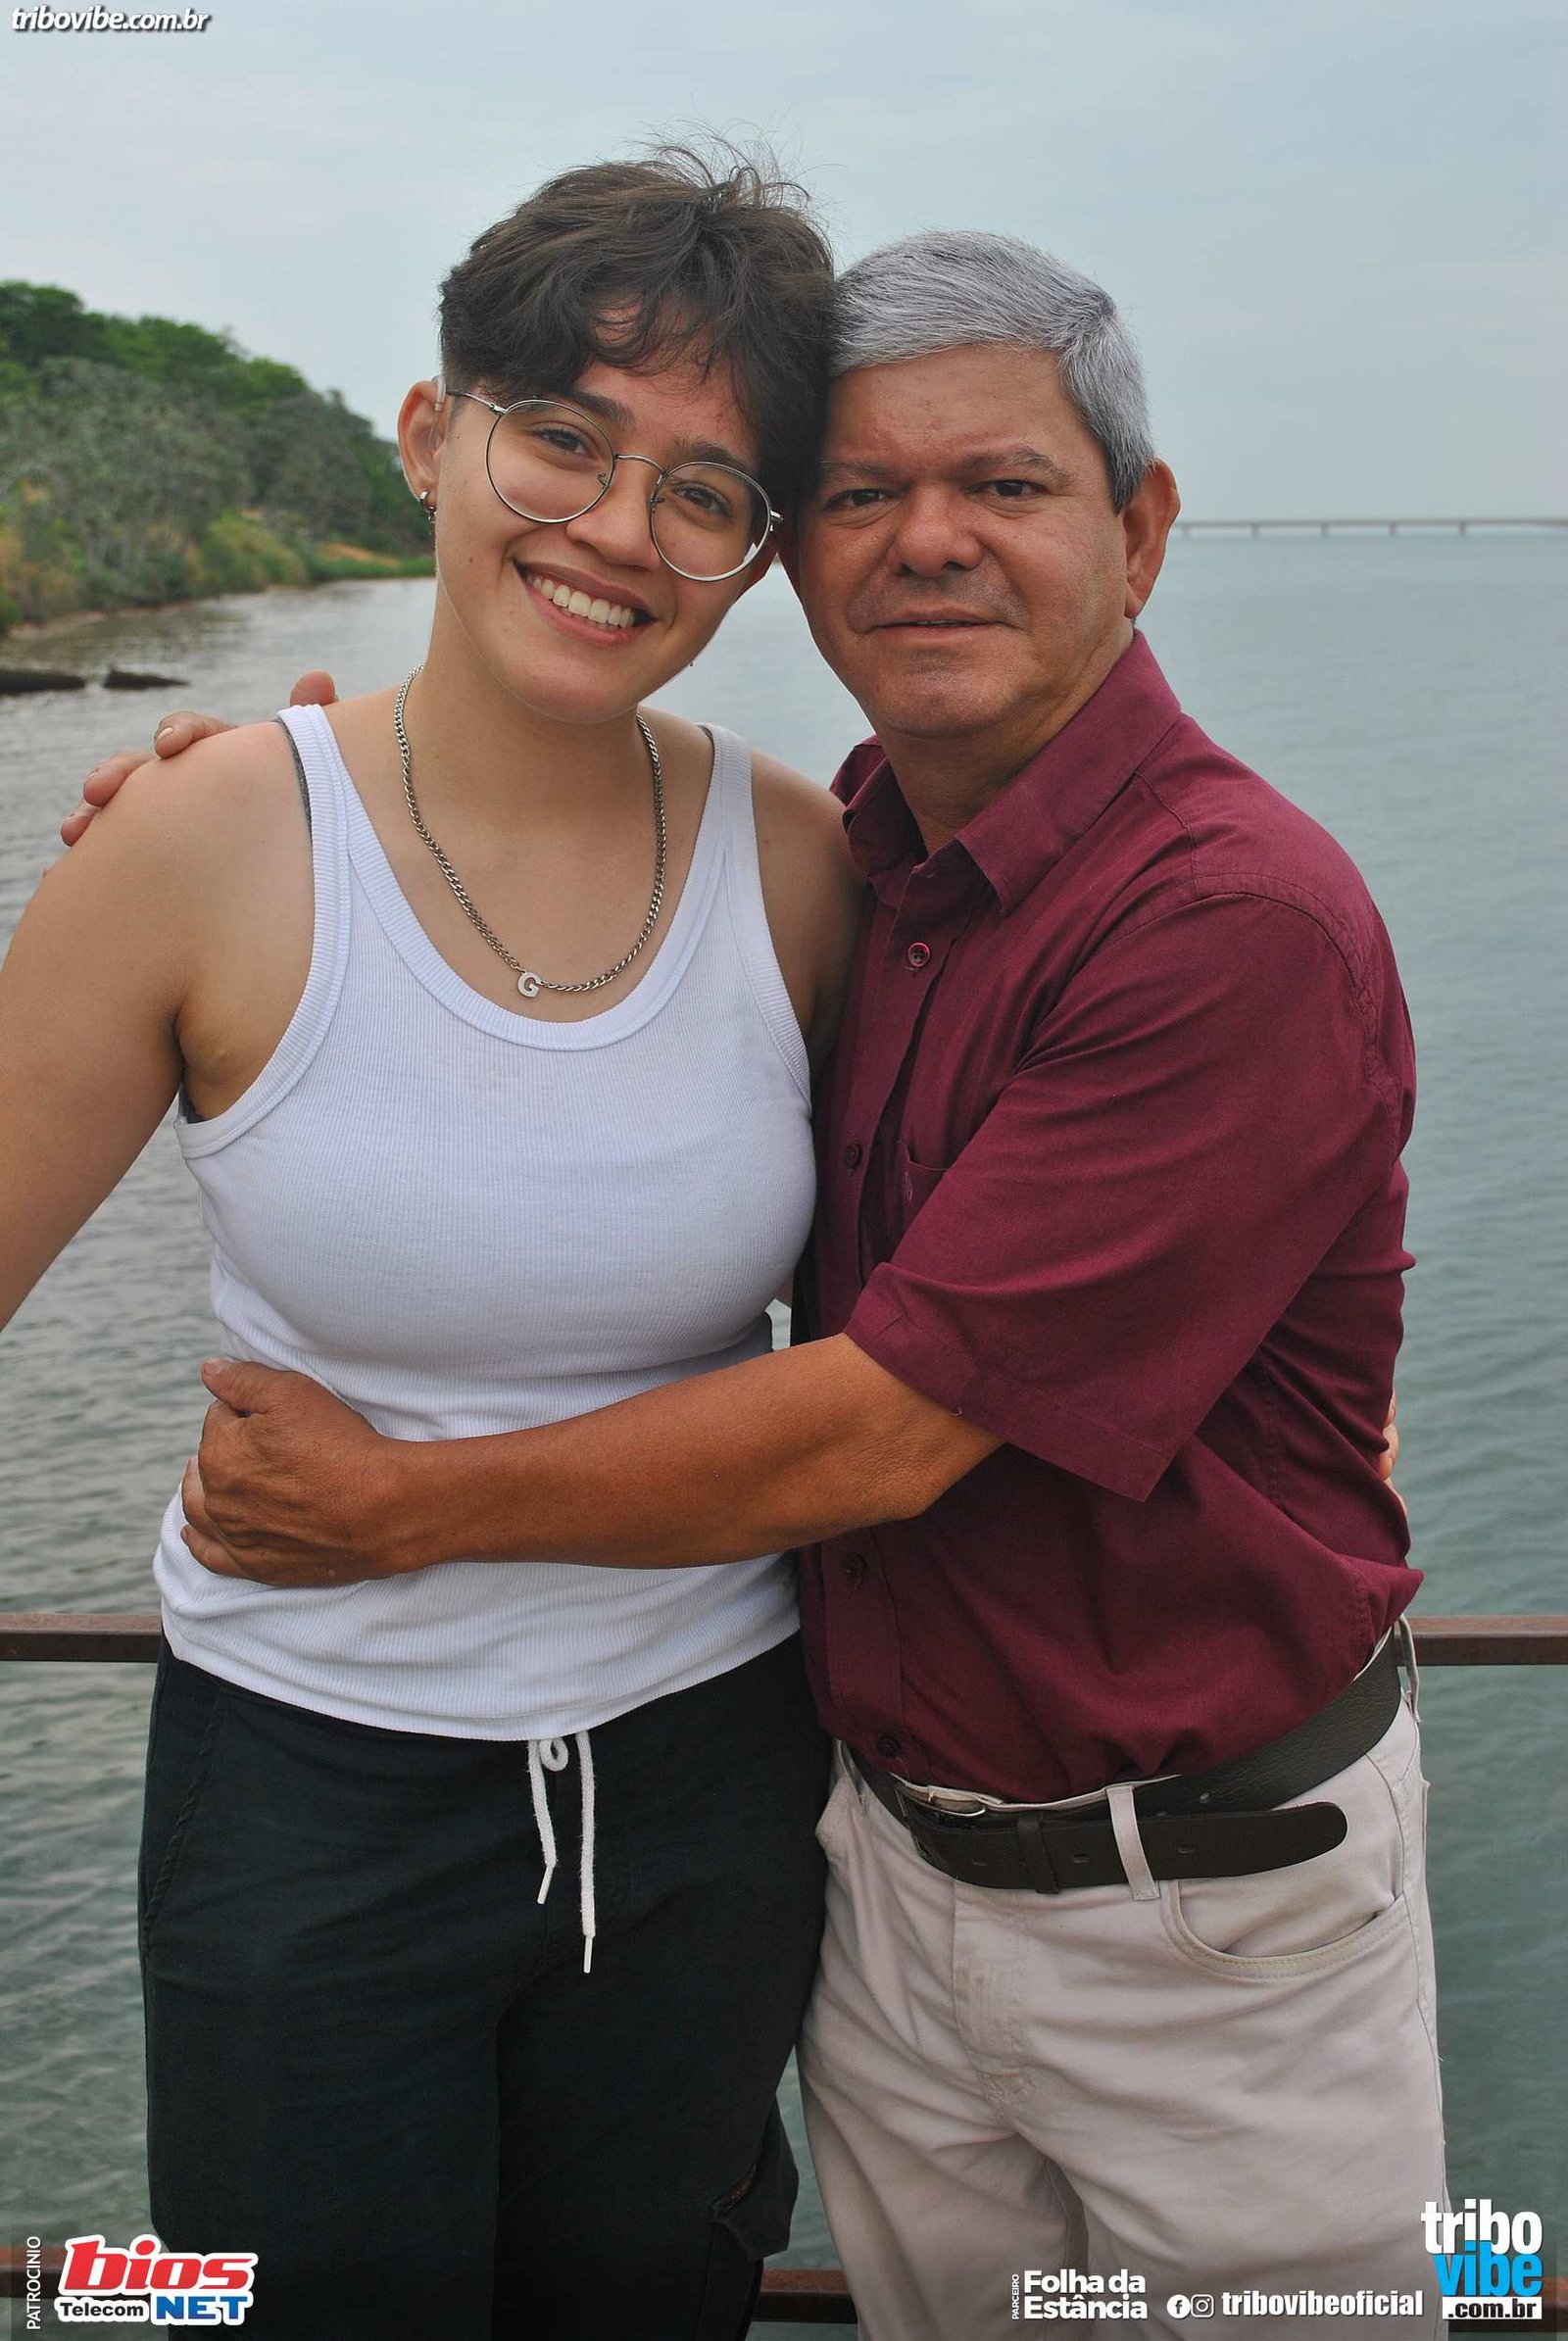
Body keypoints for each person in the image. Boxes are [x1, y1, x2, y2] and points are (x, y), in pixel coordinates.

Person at [66, 236, 1437, 2340]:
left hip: (1174, 1904)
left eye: (1005, 484)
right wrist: (263, 812)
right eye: (862, 493)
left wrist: (394, 1505)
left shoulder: (1197, 914)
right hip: (844, 1870)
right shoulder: (874, 860)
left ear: (1141, 530)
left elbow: (889, 1425)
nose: (928, 540)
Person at [2, 149, 869, 2340]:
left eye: (703, 491)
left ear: (757, 553)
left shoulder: (799, 869)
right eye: (561, 437)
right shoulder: (205, 840)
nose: (616, 529)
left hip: (709, 1778)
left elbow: (929, 1342)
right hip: (307, 1785)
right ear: (430, 433)